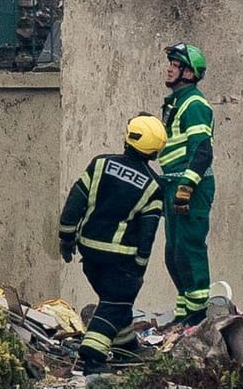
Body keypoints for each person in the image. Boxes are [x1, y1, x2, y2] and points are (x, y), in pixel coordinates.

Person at [58, 114, 168, 372]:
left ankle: (126, 347)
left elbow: (76, 201)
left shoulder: (100, 164)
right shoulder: (153, 187)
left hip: (89, 252)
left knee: (115, 300)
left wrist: (66, 237)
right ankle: (92, 356)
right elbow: (147, 233)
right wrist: (139, 267)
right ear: (155, 150)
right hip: (120, 259)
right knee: (114, 304)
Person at [159, 43, 214, 326]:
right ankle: (183, 315)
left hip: (190, 185)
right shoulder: (176, 102)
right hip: (173, 183)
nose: (169, 68)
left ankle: (197, 317)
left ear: (189, 73)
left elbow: (202, 149)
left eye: (175, 63)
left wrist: (187, 186)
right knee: (174, 253)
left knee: (189, 249)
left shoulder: (194, 104)